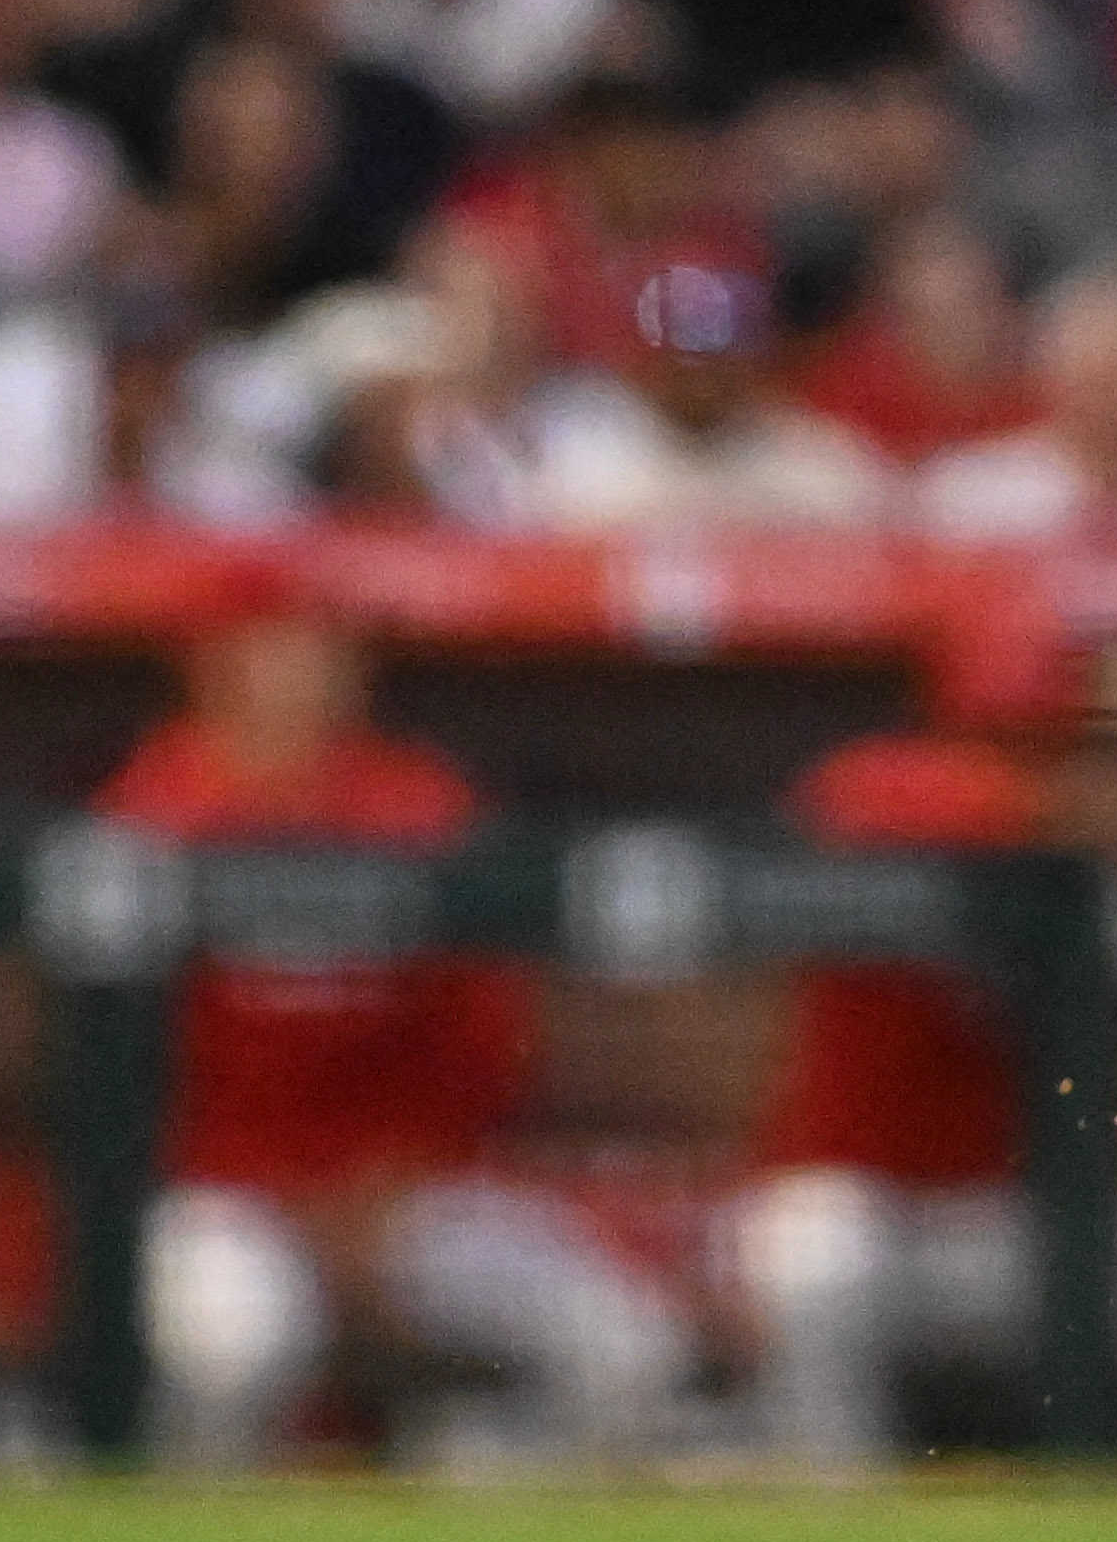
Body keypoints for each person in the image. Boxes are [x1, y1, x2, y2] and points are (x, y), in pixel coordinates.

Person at [95, 583, 691, 1471]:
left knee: (627, 1345)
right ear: (209, 666)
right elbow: (112, 1066)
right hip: (223, 1194)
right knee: (240, 1347)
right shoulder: (153, 810)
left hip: (401, 1196)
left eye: (317, 646)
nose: (295, 673)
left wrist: (390, 1186)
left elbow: (487, 1040)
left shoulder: (418, 806)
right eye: (267, 646)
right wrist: (287, 1202)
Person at [722, 632, 1117, 1477]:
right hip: (900, 1216)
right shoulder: (893, 799)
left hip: (1086, 1227)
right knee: (806, 1264)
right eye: (1093, 749)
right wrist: (1049, 815)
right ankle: (837, 1533)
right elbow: (854, 800)